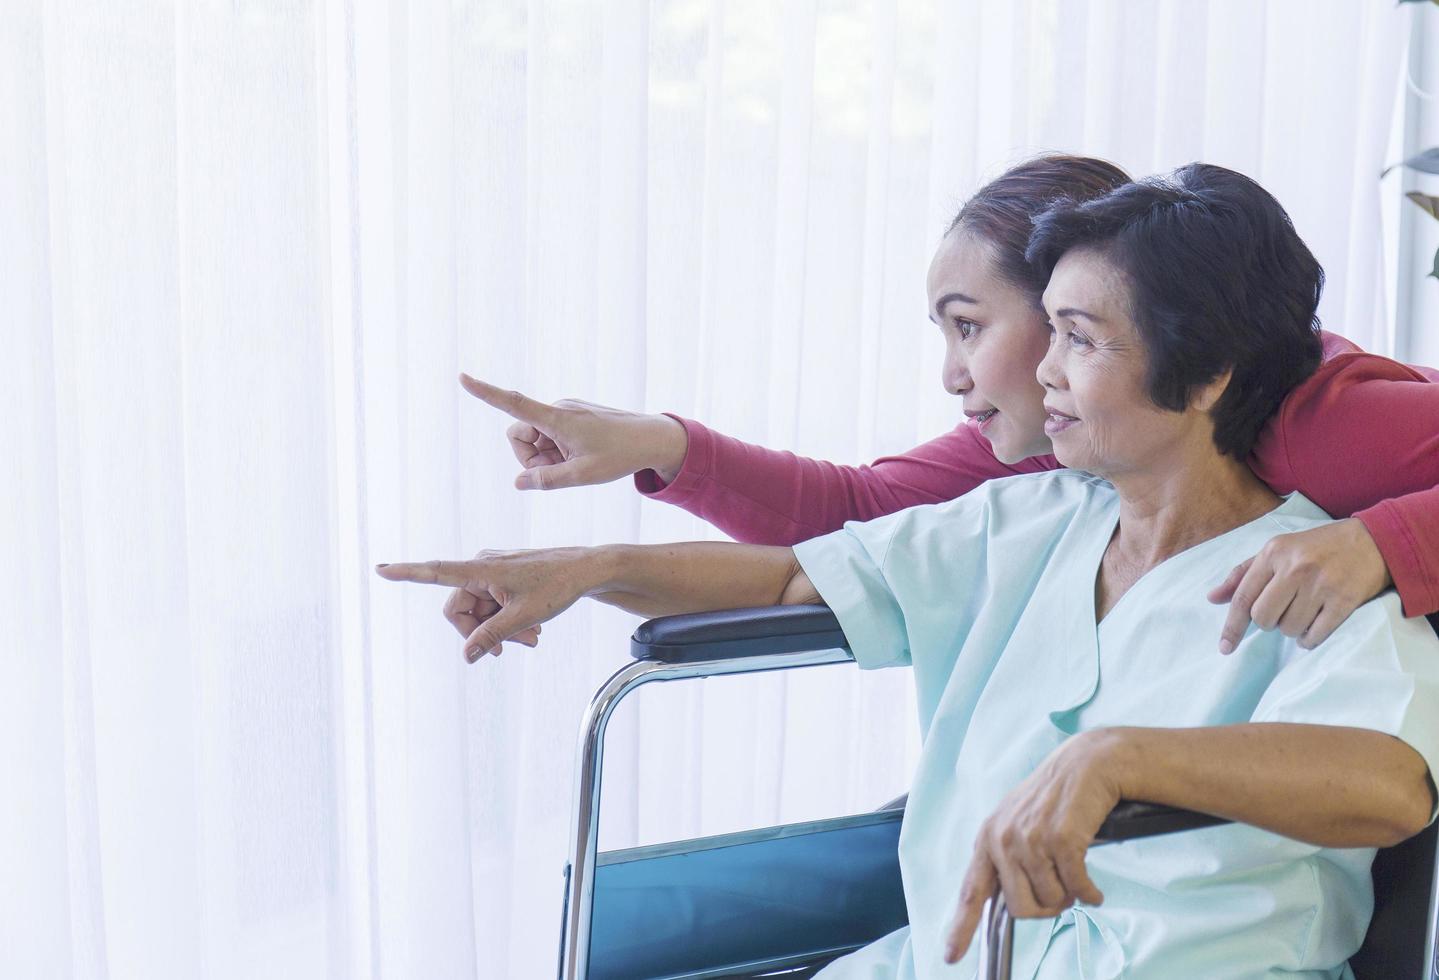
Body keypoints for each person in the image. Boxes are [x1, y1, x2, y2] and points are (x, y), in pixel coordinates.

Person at [377, 165, 1439, 977]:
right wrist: (590, 565)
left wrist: (1124, 757)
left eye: (1077, 340)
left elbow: (1389, 784)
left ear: (1206, 371)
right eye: (1047, 335)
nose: (1043, 373)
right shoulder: (1015, 520)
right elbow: (801, 572)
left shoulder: (1322, 566)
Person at [458, 157, 1439, 654]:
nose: (951, 371)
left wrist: (1375, 545)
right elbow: (860, 507)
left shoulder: (1324, 419)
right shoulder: (1086, 441)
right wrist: (663, 444)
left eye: (968, 326)